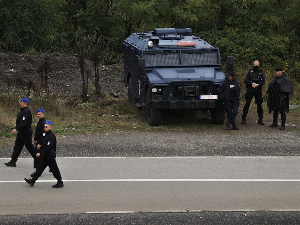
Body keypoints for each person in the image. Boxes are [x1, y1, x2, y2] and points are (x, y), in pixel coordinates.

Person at [25, 121, 64, 188]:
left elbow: (48, 147)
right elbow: (42, 140)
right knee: (40, 168)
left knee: (54, 169)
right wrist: (39, 144)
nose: (44, 128)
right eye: (44, 127)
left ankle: (60, 182)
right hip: (45, 155)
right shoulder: (45, 134)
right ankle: (33, 180)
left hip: (50, 155)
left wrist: (40, 152)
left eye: (46, 127)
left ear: (50, 127)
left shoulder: (51, 136)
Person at [4, 98, 36, 167]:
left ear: (25, 103)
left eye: (21, 102)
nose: (19, 103)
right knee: (17, 146)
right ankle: (13, 161)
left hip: (26, 132)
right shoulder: (23, 111)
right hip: (22, 132)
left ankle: (38, 159)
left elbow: (23, 122)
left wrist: (16, 129)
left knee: (29, 147)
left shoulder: (26, 111)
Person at [241, 60, 265, 125]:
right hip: (250, 90)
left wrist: (258, 85)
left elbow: (263, 82)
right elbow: (246, 80)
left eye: (256, 65)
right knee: (247, 104)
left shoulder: (261, 72)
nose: (255, 66)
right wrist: (252, 84)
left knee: (259, 105)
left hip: (258, 90)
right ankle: (243, 119)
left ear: (259, 65)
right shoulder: (250, 72)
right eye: (254, 64)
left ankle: (260, 119)